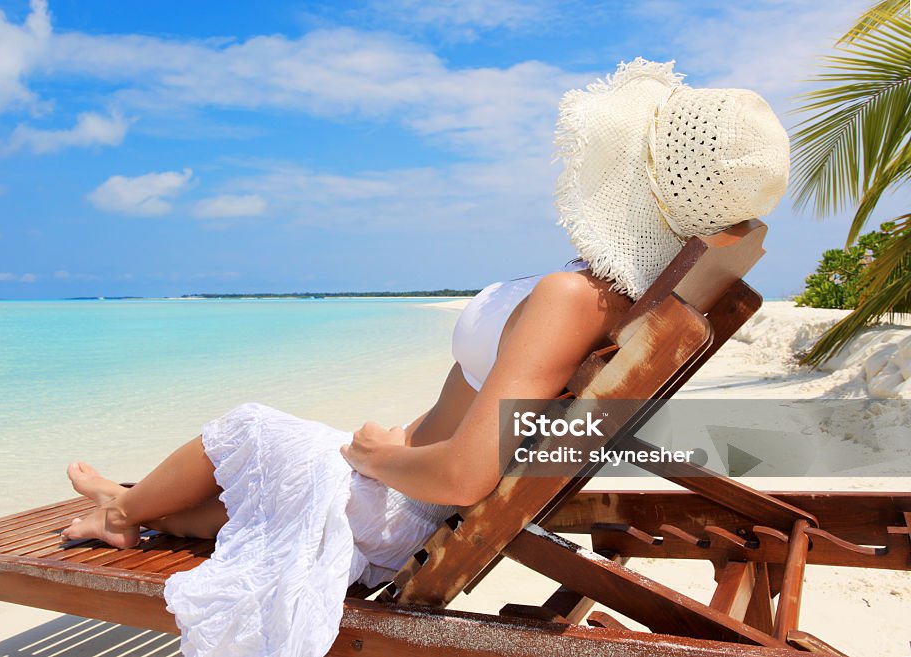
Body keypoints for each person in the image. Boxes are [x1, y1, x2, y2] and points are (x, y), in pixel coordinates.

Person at [59, 57, 790, 657]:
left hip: (400, 494)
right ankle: (154, 511)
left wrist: (377, 455)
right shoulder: (622, 296)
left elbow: (466, 470)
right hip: (400, 497)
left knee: (247, 425)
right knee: (226, 510)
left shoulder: (574, 297)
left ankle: (122, 508)